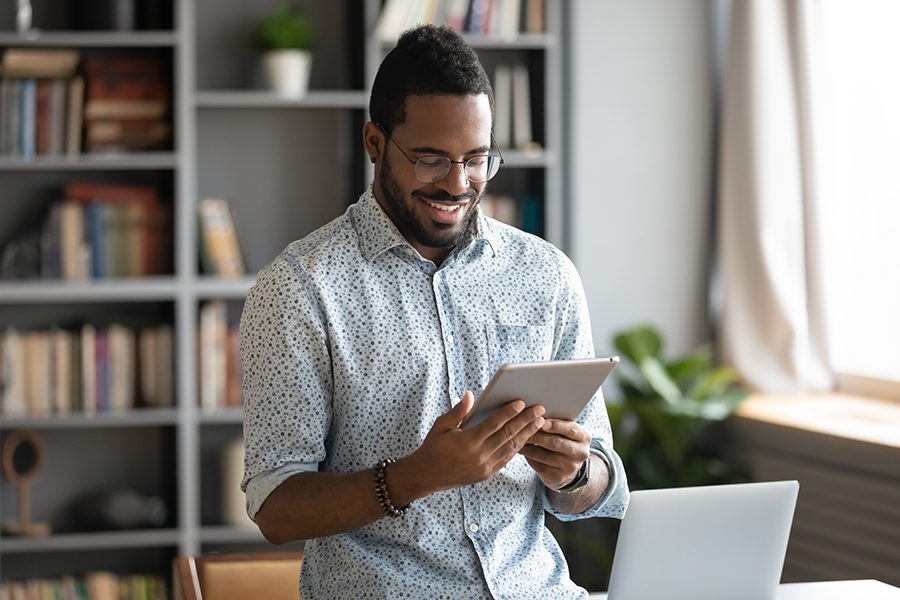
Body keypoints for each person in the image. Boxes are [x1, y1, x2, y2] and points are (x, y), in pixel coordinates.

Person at [239, 24, 629, 599]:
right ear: (375, 144)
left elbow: (600, 483)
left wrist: (572, 471)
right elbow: (275, 507)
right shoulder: (299, 289)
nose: (458, 184)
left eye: (477, 159)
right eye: (430, 160)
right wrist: (415, 477)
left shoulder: (546, 275)